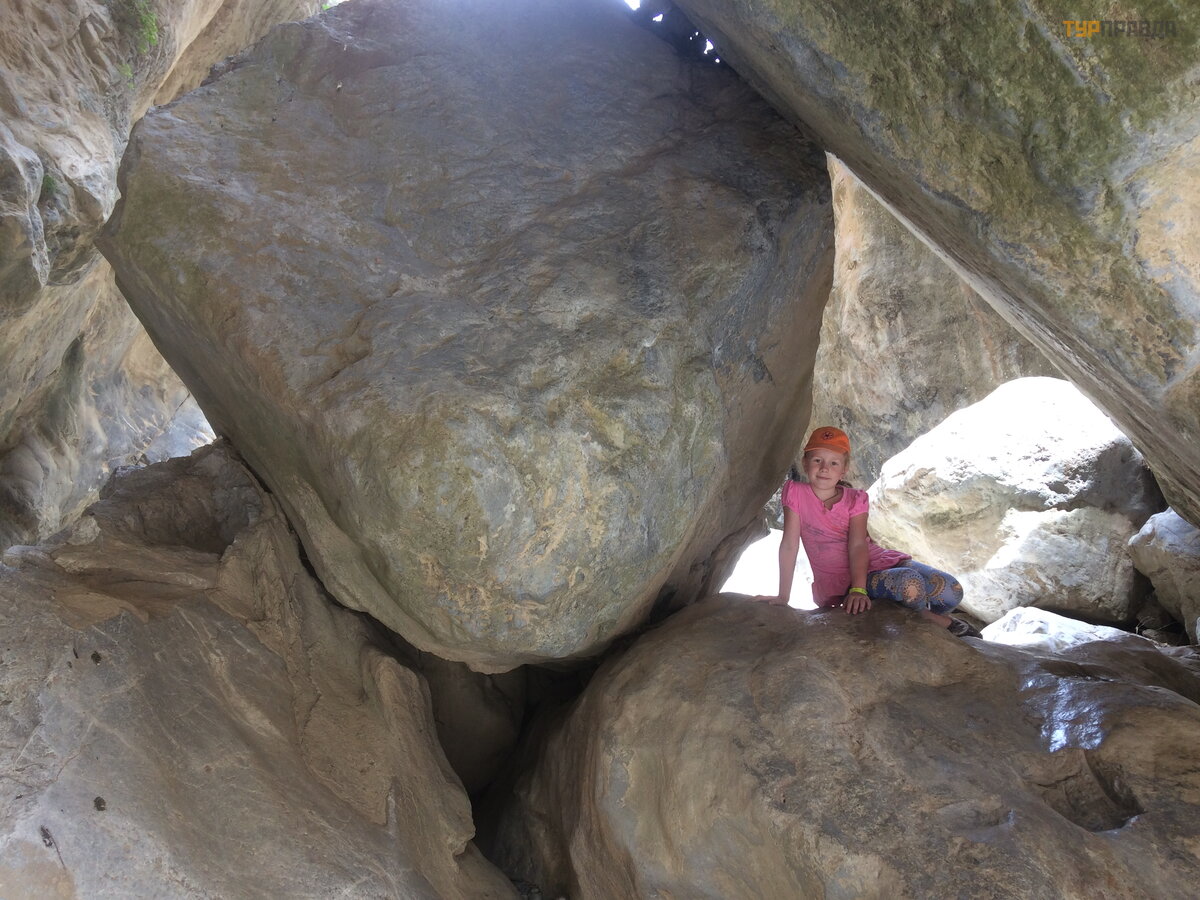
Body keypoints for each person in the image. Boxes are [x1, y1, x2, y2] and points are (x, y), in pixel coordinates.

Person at [763, 425, 980, 638]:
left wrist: (860, 590)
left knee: (952, 591)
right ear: (805, 462)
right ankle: (930, 619)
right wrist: (784, 596)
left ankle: (909, 610)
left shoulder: (855, 499)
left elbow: (858, 545)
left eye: (834, 462)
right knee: (910, 584)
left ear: (844, 469)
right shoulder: (795, 493)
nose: (824, 468)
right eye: (817, 460)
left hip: (876, 563)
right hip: (844, 581)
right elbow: (789, 545)